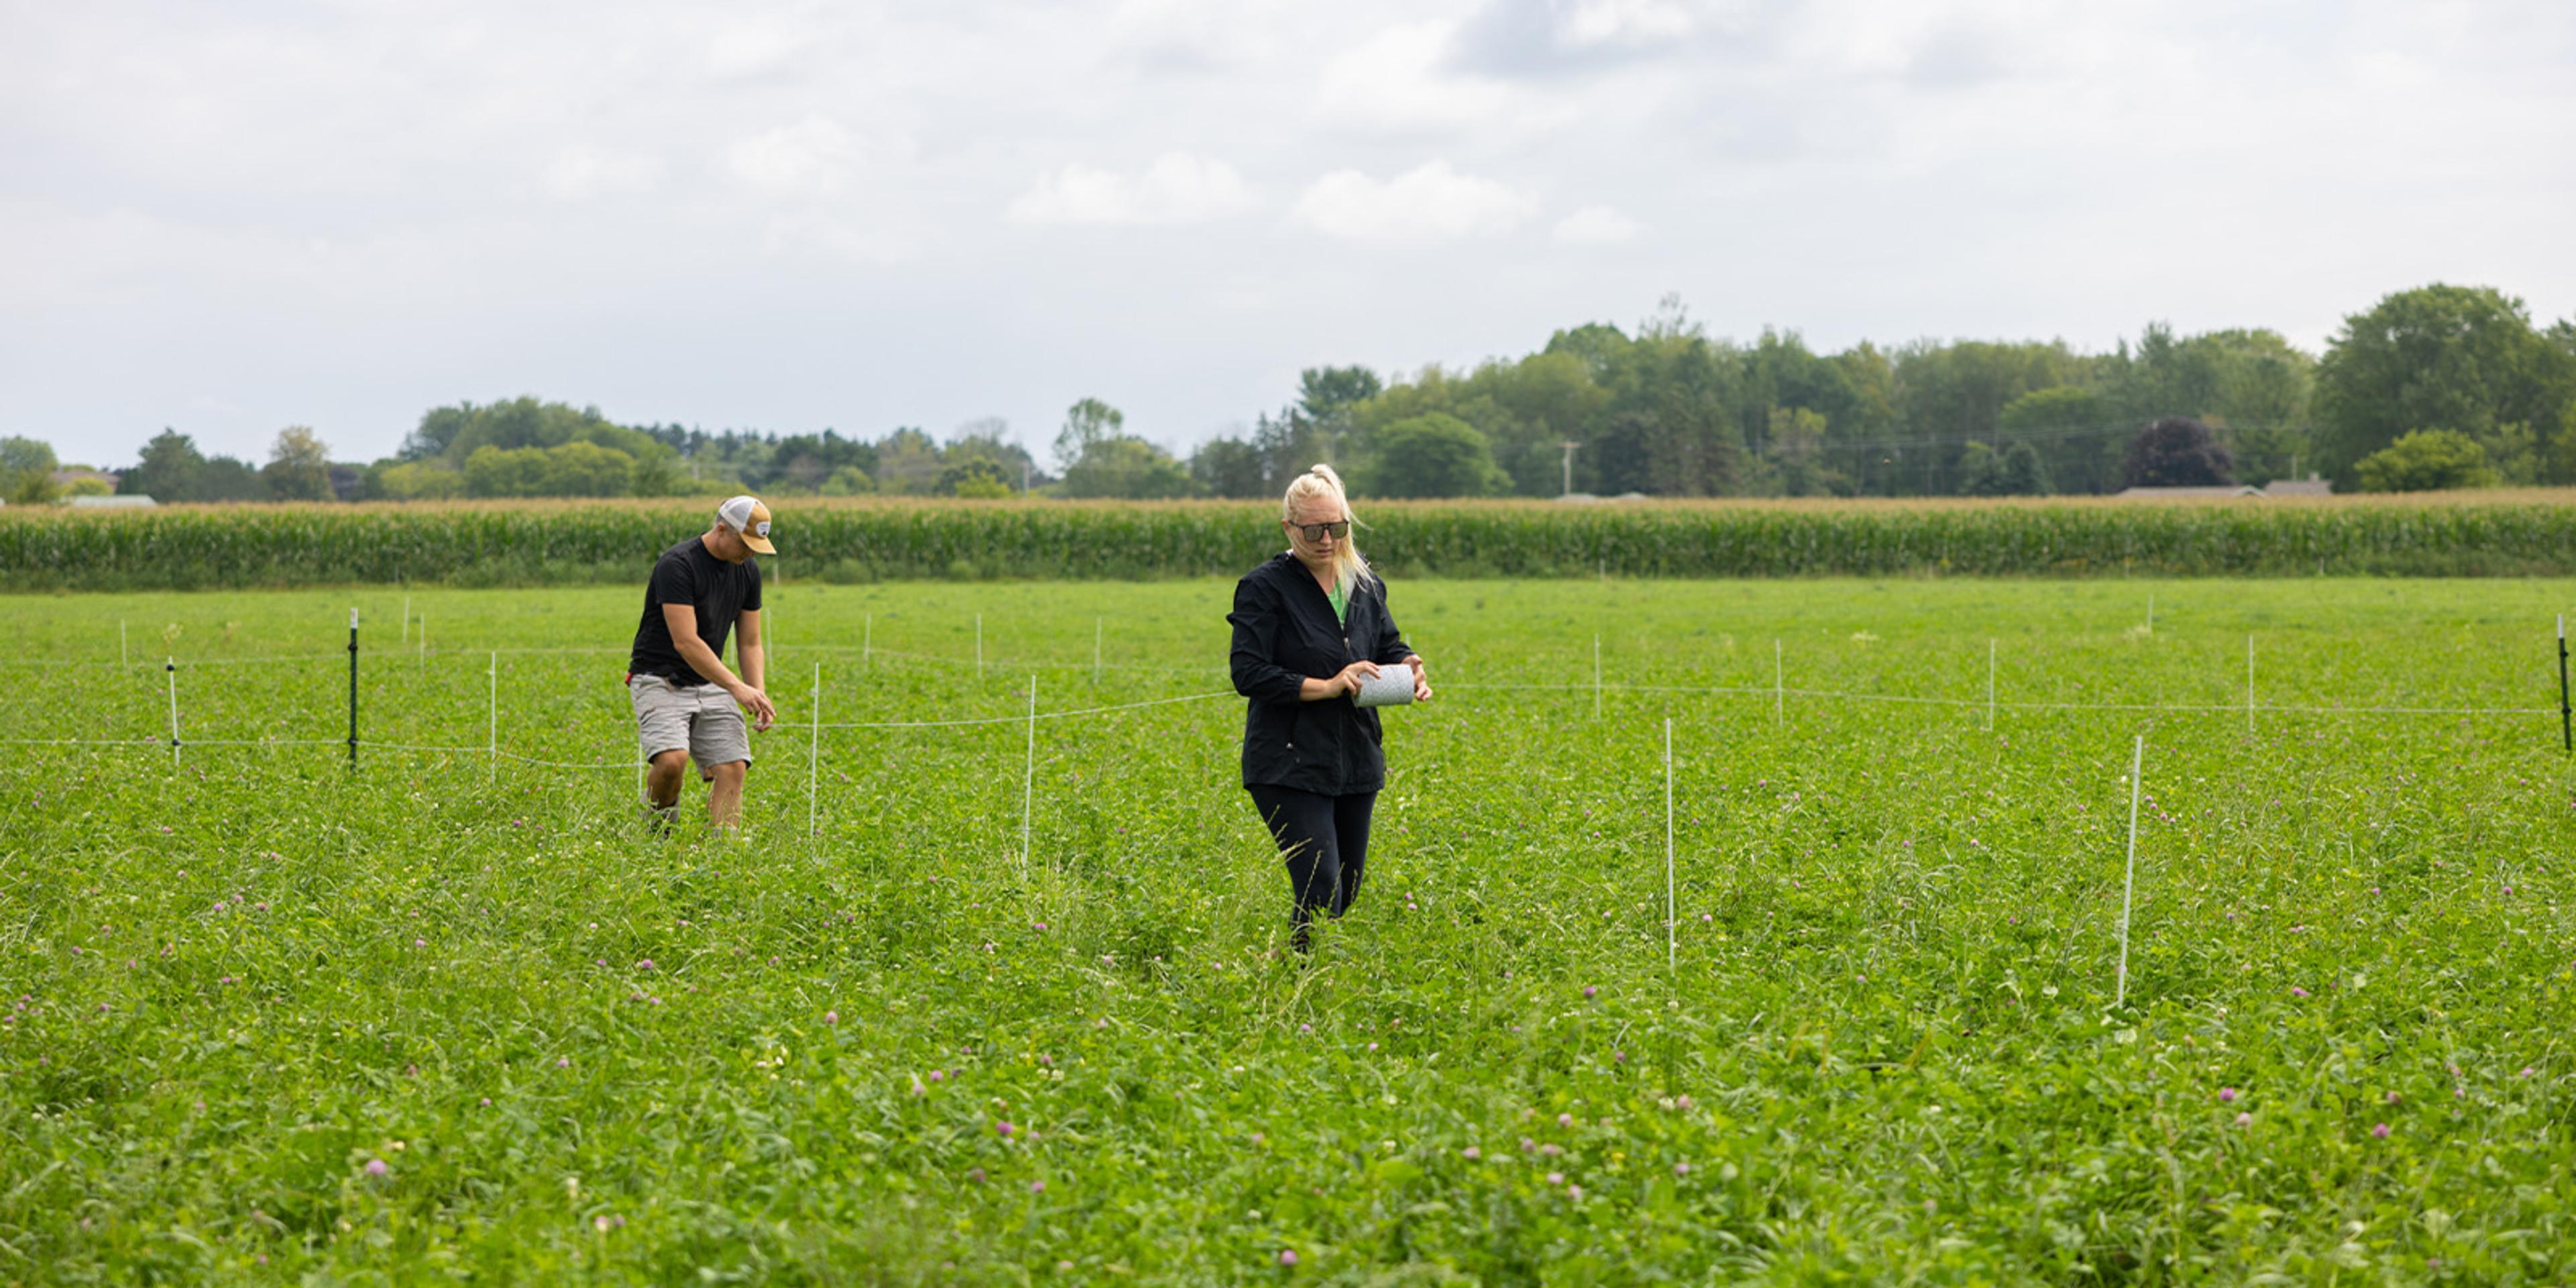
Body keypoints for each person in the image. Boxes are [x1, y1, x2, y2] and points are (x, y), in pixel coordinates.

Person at [1228, 464, 1432, 951]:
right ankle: (1299, 984)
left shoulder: (1363, 584)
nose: (1326, 540)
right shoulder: (1264, 588)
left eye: (1337, 528)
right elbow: (1248, 672)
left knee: (1347, 889)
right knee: (1321, 889)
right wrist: (1328, 684)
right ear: (1288, 528)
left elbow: (1386, 643)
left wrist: (1408, 666)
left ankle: (1310, 978)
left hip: (1356, 757)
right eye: (1314, 529)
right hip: (1288, 760)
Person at [629, 495, 780, 833]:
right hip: (659, 680)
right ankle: (655, 838)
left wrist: (757, 692)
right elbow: (687, 642)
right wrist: (736, 687)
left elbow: (750, 642)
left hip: (711, 681)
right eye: (745, 544)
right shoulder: (677, 565)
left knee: (733, 766)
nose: (751, 553)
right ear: (722, 529)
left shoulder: (747, 571)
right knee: (671, 762)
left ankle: (723, 856)